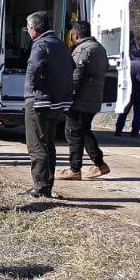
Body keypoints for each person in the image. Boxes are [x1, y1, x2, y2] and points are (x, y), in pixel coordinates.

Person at [22, 11, 75, 198]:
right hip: (57, 102)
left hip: (39, 101)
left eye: (28, 28)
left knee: (36, 144)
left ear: (33, 28)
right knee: (49, 144)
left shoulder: (40, 44)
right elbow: (72, 67)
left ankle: (40, 186)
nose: (28, 31)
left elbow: (34, 67)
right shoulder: (60, 44)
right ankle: (47, 185)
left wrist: (32, 88)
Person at [59, 21, 111, 180]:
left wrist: (67, 95)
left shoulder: (82, 49)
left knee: (72, 132)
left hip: (80, 99)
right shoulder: (100, 48)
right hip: (94, 98)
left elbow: (75, 75)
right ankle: (100, 164)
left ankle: (74, 169)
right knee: (84, 131)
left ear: (76, 35)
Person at [116, 49, 140, 137]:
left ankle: (118, 130)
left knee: (124, 112)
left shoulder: (129, 64)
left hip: (128, 92)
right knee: (138, 113)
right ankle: (134, 132)